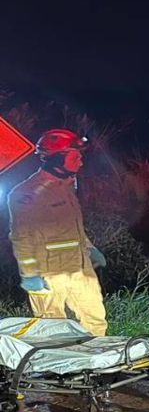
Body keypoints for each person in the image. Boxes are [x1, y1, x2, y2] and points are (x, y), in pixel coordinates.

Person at [7, 129, 108, 336]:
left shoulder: (68, 187)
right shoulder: (25, 193)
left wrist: (90, 249)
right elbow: (21, 237)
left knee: (96, 321)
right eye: (75, 155)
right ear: (57, 158)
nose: (81, 160)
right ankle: (56, 368)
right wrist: (30, 275)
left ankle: (97, 363)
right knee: (53, 331)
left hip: (80, 269)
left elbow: (72, 227)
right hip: (48, 273)